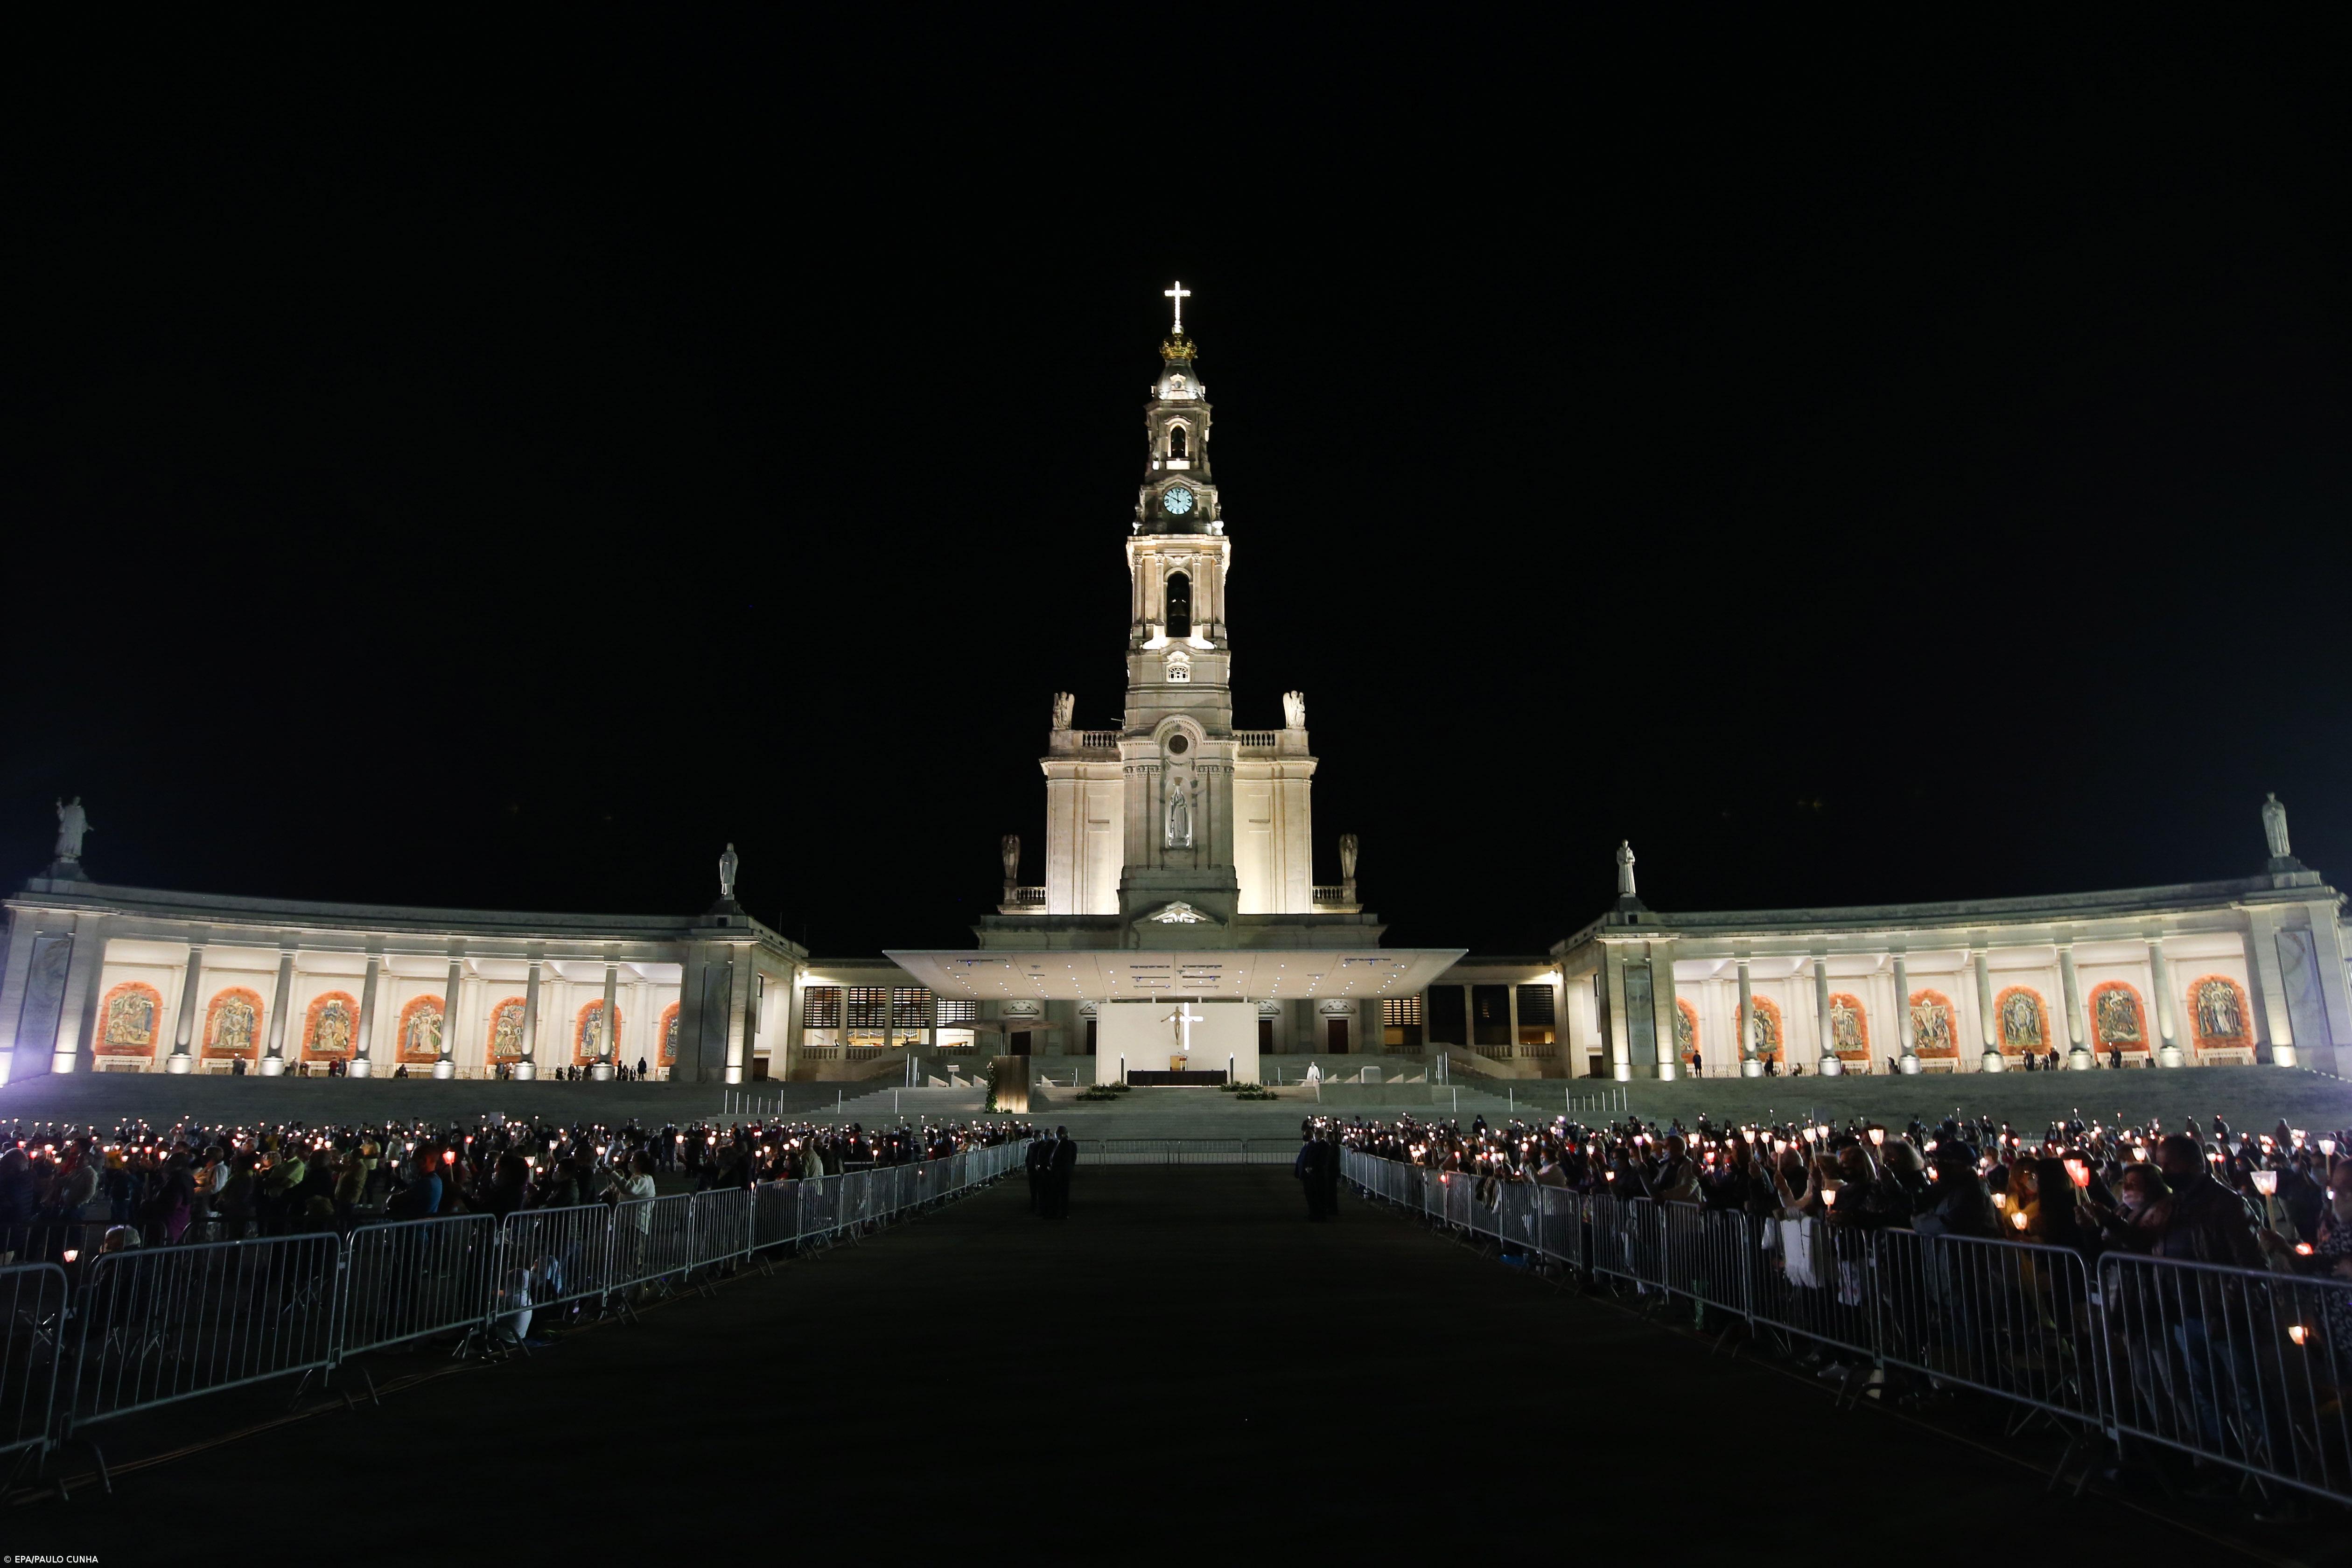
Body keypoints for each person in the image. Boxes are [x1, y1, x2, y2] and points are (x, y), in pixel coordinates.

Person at [1041, 1127, 1077, 1219]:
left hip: (1061, 1173)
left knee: (1062, 1193)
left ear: (1062, 1134)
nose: (1055, 1134)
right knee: (1058, 1193)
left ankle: (1063, 1214)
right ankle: (1058, 1212)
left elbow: (1064, 1159)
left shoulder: (1065, 1144)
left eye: (1056, 1133)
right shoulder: (1059, 1143)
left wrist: (1055, 1167)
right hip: (1058, 1172)